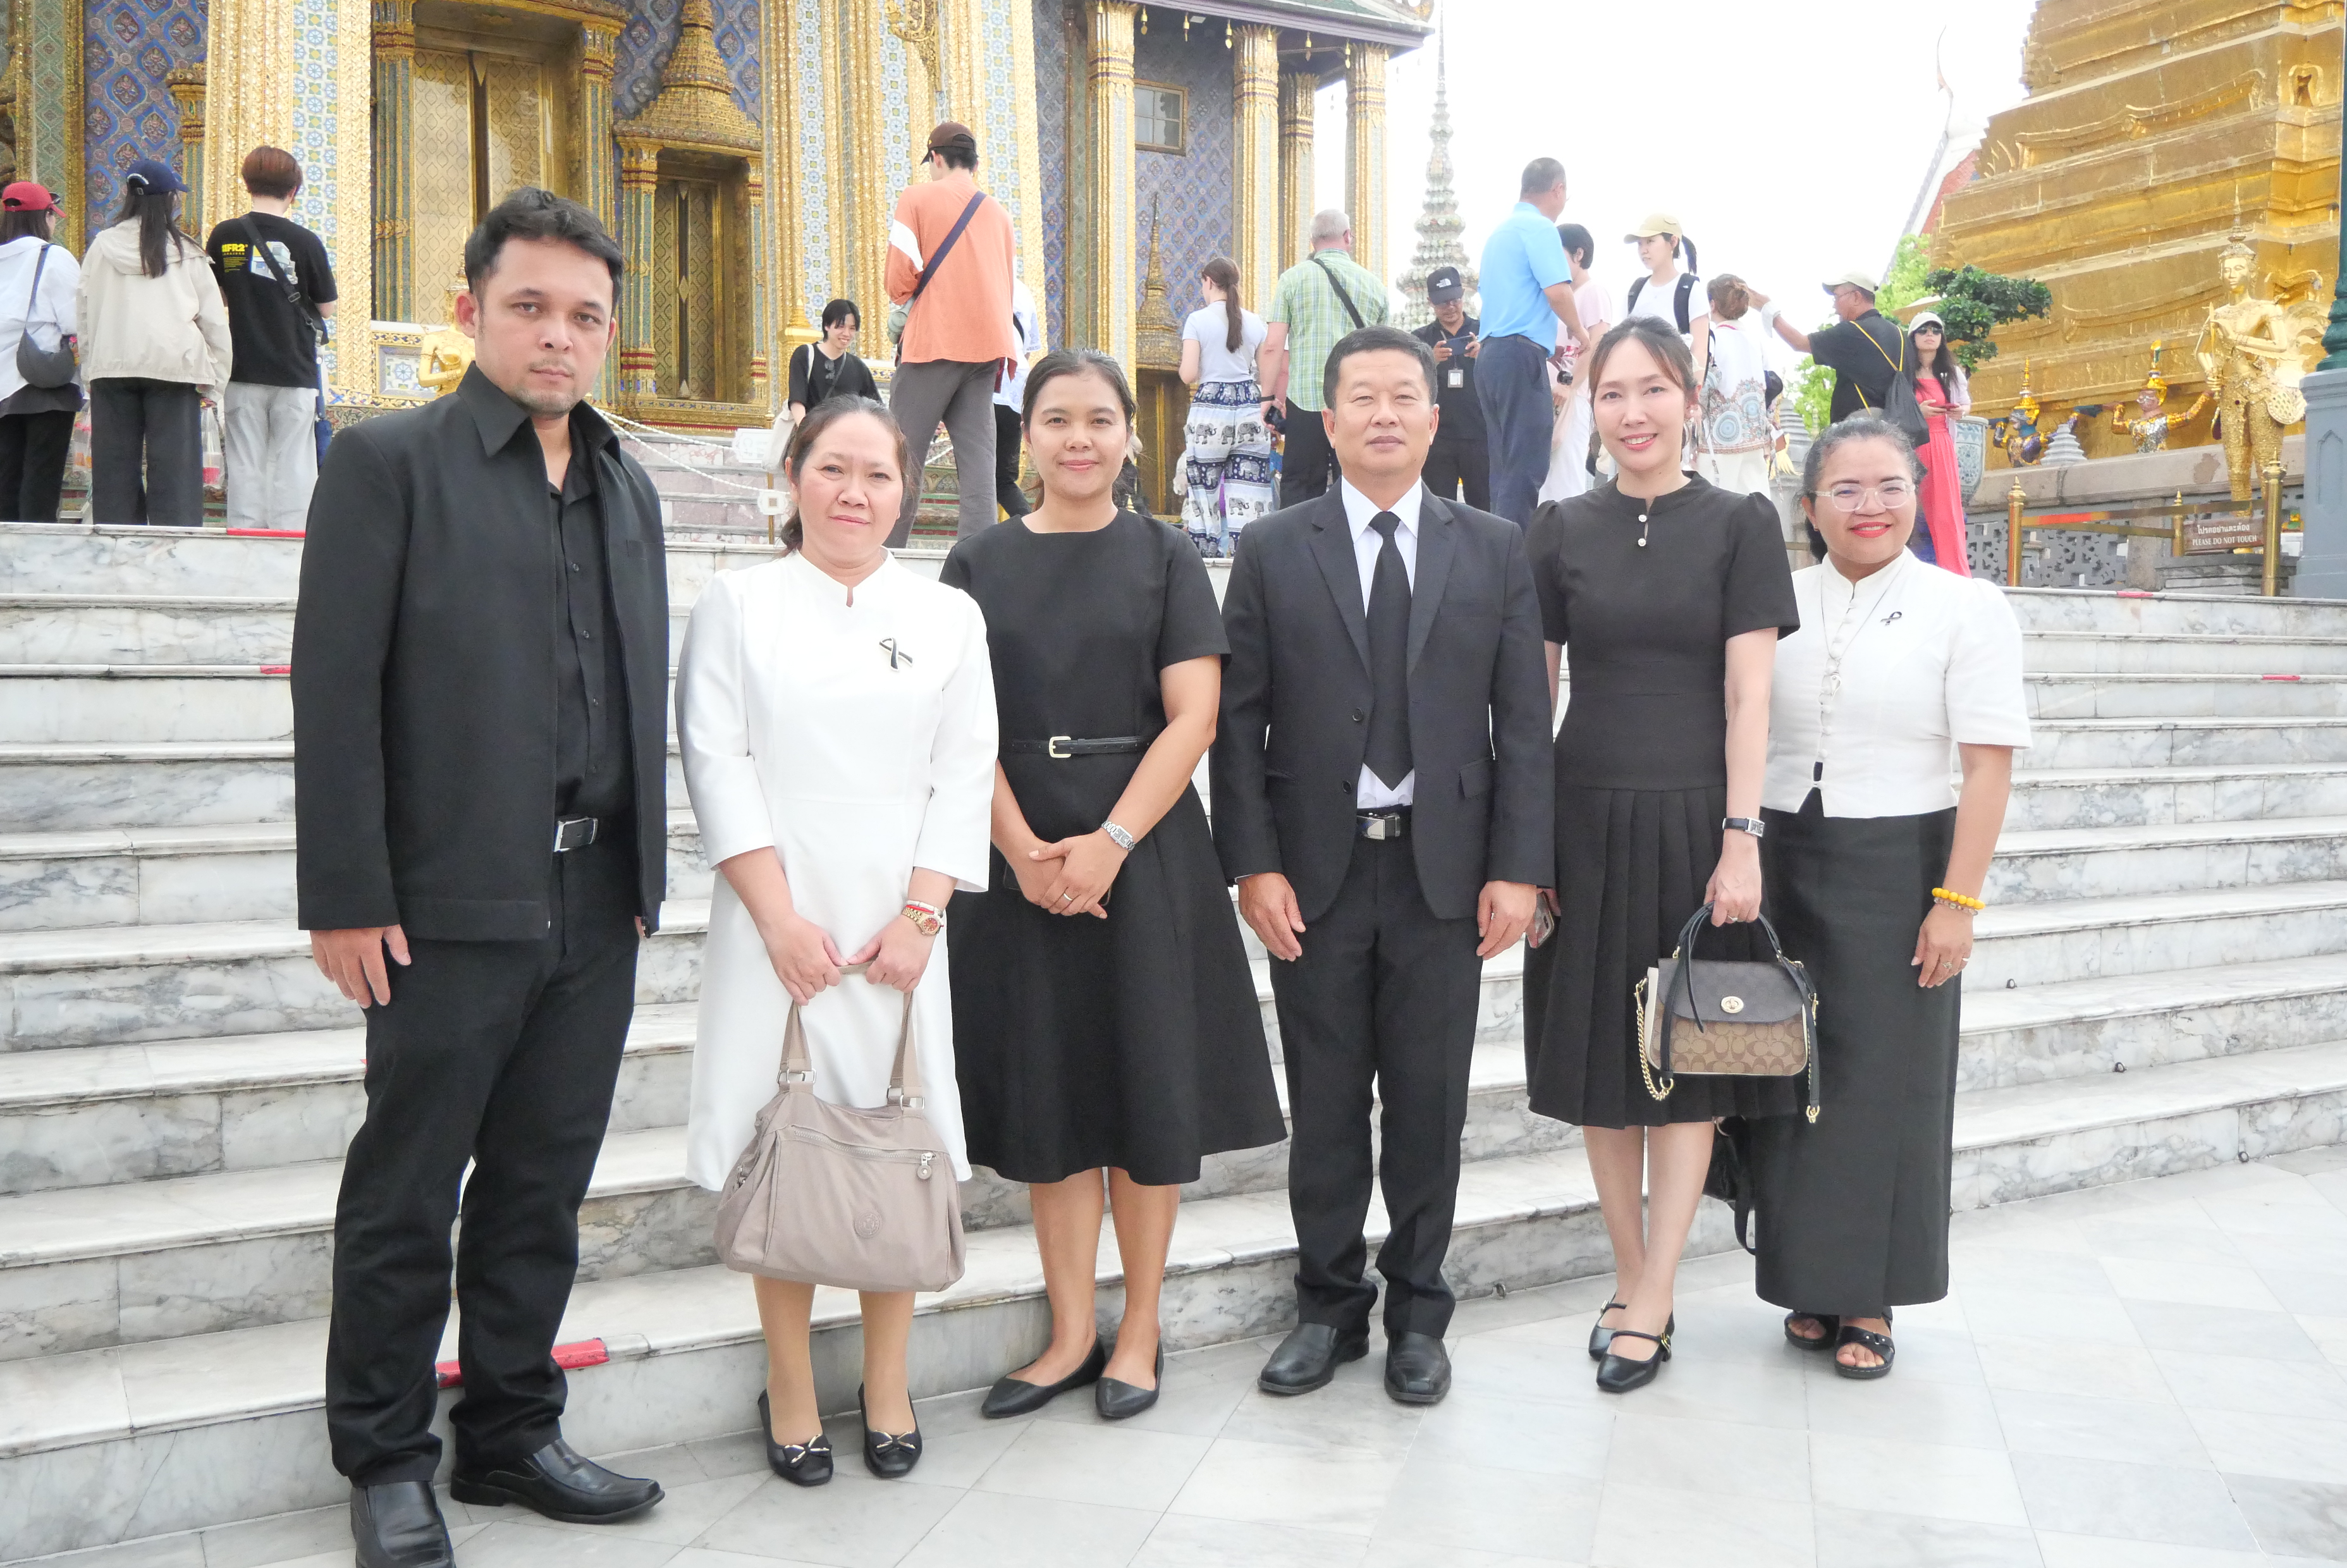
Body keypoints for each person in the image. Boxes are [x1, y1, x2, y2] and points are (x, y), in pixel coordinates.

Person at [293, 189, 671, 1568]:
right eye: (529, 307)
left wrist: (645, 875)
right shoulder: (393, 465)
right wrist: (344, 889)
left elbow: (635, 689)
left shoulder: (626, 484)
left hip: (595, 900)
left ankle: (511, 1430)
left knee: (538, 1186)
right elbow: (335, 695)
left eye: (583, 316)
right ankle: (386, 1459)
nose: (557, 338)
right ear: (471, 311)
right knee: (408, 1190)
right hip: (444, 905)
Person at [1215, 324, 1551, 1407]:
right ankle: (1326, 1309)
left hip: (1443, 878)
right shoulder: (1274, 549)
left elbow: (1523, 723)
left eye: (1403, 395)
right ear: (1328, 416)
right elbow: (1238, 723)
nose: (1383, 415)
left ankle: (1417, 1312)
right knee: (1322, 1105)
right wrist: (1250, 866)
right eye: (1361, 396)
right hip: (1311, 873)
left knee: (1424, 1104)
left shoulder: (1493, 546)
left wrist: (1518, 868)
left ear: (1432, 417)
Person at [944, 349, 1282, 1423]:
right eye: (1056, 419)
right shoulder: (977, 563)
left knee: (1144, 1097)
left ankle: (1138, 1330)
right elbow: (959, 725)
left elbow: (1193, 715)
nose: (1079, 438)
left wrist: (1108, 843)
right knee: (1050, 1102)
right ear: (1027, 436)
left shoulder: (1166, 554)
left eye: (1100, 418)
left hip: (1143, 860)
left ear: (1130, 436)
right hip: (1018, 858)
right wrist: (1021, 850)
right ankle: (1069, 1333)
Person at [677, 397, 996, 1481]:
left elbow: (964, 769)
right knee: (785, 1148)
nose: (854, 494)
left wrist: (919, 920)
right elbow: (716, 761)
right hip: (776, 924)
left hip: (899, 930)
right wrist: (778, 923)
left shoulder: (947, 617)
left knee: (893, 1148)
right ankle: (791, 1381)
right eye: (833, 471)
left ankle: (890, 1378)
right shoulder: (738, 603)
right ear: (795, 477)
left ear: (904, 492)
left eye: (877, 475)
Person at [1519, 316, 1799, 1395]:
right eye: (1610, 393)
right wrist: (1527, 840)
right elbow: (1532, 691)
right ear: (1590, 409)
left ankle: (1656, 1287)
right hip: (1582, 818)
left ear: (1689, 398)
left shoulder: (1739, 523)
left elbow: (1748, 694)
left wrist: (1741, 837)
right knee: (1600, 1065)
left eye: (1651, 389)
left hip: (1693, 821)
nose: (1631, 412)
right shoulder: (1556, 528)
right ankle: (1637, 1278)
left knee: (1687, 1063)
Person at [1757, 416, 2026, 1377]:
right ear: (1811, 506)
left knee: (1883, 1084)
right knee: (1789, 1074)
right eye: (1847, 490)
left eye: (1888, 487)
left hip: (1904, 858)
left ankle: (1870, 1295)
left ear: (1917, 495)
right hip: (1781, 854)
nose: (1869, 507)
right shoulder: (1776, 600)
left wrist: (1959, 900)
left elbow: (1987, 769)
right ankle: (1802, 1277)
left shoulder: (1966, 606)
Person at [77, 158, 231, 527]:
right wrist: (217, 380)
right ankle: (174, 550)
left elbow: (84, 312)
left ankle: (116, 547)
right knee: (175, 470)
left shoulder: (102, 247)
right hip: (174, 369)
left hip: (111, 367)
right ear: (169, 201)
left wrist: (89, 369)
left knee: (114, 468)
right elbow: (213, 321)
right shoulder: (186, 252)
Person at [885, 121, 1017, 545]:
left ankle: (888, 551)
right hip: (987, 348)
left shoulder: (917, 198)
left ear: (937, 158)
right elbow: (1008, 287)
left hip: (933, 341)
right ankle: (980, 558)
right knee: (979, 461)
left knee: (903, 454)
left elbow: (899, 279)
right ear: (974, 164)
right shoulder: (999, 215)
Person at [207, 145, 338, 532]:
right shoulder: (306, 241)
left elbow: (216, 297)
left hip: (242, 364)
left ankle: (244, 534)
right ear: (293, 190)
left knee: (245, 457)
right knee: (294, 459)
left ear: (247, 183)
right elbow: (327, 308)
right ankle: (289, 540)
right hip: (294, 367)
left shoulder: (226, 235)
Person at [1475, 159, 1588, 527]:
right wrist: (1579, 331)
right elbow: (1557, 291)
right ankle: (1516, 562)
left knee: (1504, 468)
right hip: (1520, 356)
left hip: (1492, 355)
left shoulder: (1500, 234)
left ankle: (1498, 554)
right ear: (1557, 189)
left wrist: (1544, 342)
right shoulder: (1540, 229)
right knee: (1526, 466)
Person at [1263, 208, 1388, 508]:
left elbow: (1273, 346)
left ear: (1312, 241)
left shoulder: (1292, 280)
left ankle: (1296, 554)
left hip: (1306, 402)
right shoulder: (1374, 286)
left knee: (1299, 489)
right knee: (1358, 486)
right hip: (1358, 402)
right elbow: (1385, 354)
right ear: (1348, 237)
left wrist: (1268, 397)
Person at [1177, 255, 1272, 554]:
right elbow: (1266, 372)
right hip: (1249, 407)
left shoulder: (1198, 320)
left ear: (1208, 281)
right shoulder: (1255, 322)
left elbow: (1188, 374)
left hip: (1210, 410)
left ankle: (1206, 562)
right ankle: (1249, 561)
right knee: (1250, 495)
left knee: (1203, 494)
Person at [0, 182, 81, 522]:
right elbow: (77, 320)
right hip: (45, 385)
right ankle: (37, 561)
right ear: (45, 216)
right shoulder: (54, 257)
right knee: (41, 481)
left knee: (6, 481)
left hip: (3, 388)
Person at [1756, 271, 1905, 422]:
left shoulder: (1852, 332)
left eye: (1837, 297)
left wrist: (1768, 310)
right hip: (1897, 429)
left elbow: (1800, 343)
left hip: (1862, 429)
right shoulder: (1900, 335)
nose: (1834, 306)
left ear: (1856, 297)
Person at [1538, 224, 1613, 505]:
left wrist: (1568, 386)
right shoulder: (1560, 297)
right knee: (1547, 480)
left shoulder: (1593, 292)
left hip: (1572, 397)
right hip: (1551, 396)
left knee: (1567, 477)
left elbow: (1597, 345)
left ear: (1578, 254)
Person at [1411, 265, 1488, 511]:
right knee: (1438, 508)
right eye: (1443, 302)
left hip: (1479, 433)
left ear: (1464, 295)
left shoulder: (1486, 331)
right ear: (1430, 302)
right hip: (1437, 437)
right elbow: (1406, 379)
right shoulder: (1420, 338)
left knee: (1483, 507)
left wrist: (1485, 356)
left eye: (1455, 300)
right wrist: (1428, 360)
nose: (1450, 307)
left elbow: (1506, 375)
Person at [1695, 274, 1774, 496]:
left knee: (1715, 505)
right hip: (1755, 436)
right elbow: (1773, 385)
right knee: (1756, 503)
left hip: (1719, 438)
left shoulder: (1712, 338)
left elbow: (1706, 382)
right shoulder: (1756, 341)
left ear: (1712, 304)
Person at [1907, 311, 1973, 575]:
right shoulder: (1904, 374)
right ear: (1913, 337)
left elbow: (1965, 402)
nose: (1930, 335)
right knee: (1911, 509)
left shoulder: (1951, 373)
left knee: (1946, 512)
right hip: (1913, 446)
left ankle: (1955, 573)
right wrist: (1917, 412)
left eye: (1935, 330)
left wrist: (1960, 412)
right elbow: (1896, 409)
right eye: (1923, 330)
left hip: (1942, 443)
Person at [1621, 214, 1710, 383]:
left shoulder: (1690, 289)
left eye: (1650, 242)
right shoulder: (1635, 290)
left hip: (1674, 386)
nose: (1643, 250)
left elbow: (1700, 350)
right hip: (1637, 386)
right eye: (1640, 244)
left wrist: (1694, 395)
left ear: (1673, 242)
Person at [993, 274, 1045, 518]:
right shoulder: (1023, 291)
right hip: (1015, 390)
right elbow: (1027, 352)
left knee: (978, 476)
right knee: (1003, 479)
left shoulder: (974, 278)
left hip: (983, 388)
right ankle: (1028, 528)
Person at [785, 298, 881, 420]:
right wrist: (804, 433)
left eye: (852, 328)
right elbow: (797, 400)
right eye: (840, 327)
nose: (846, 334)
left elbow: (876, 409)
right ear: (827, 326)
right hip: (811, 433)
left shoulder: (859, 367)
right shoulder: (805, 355)